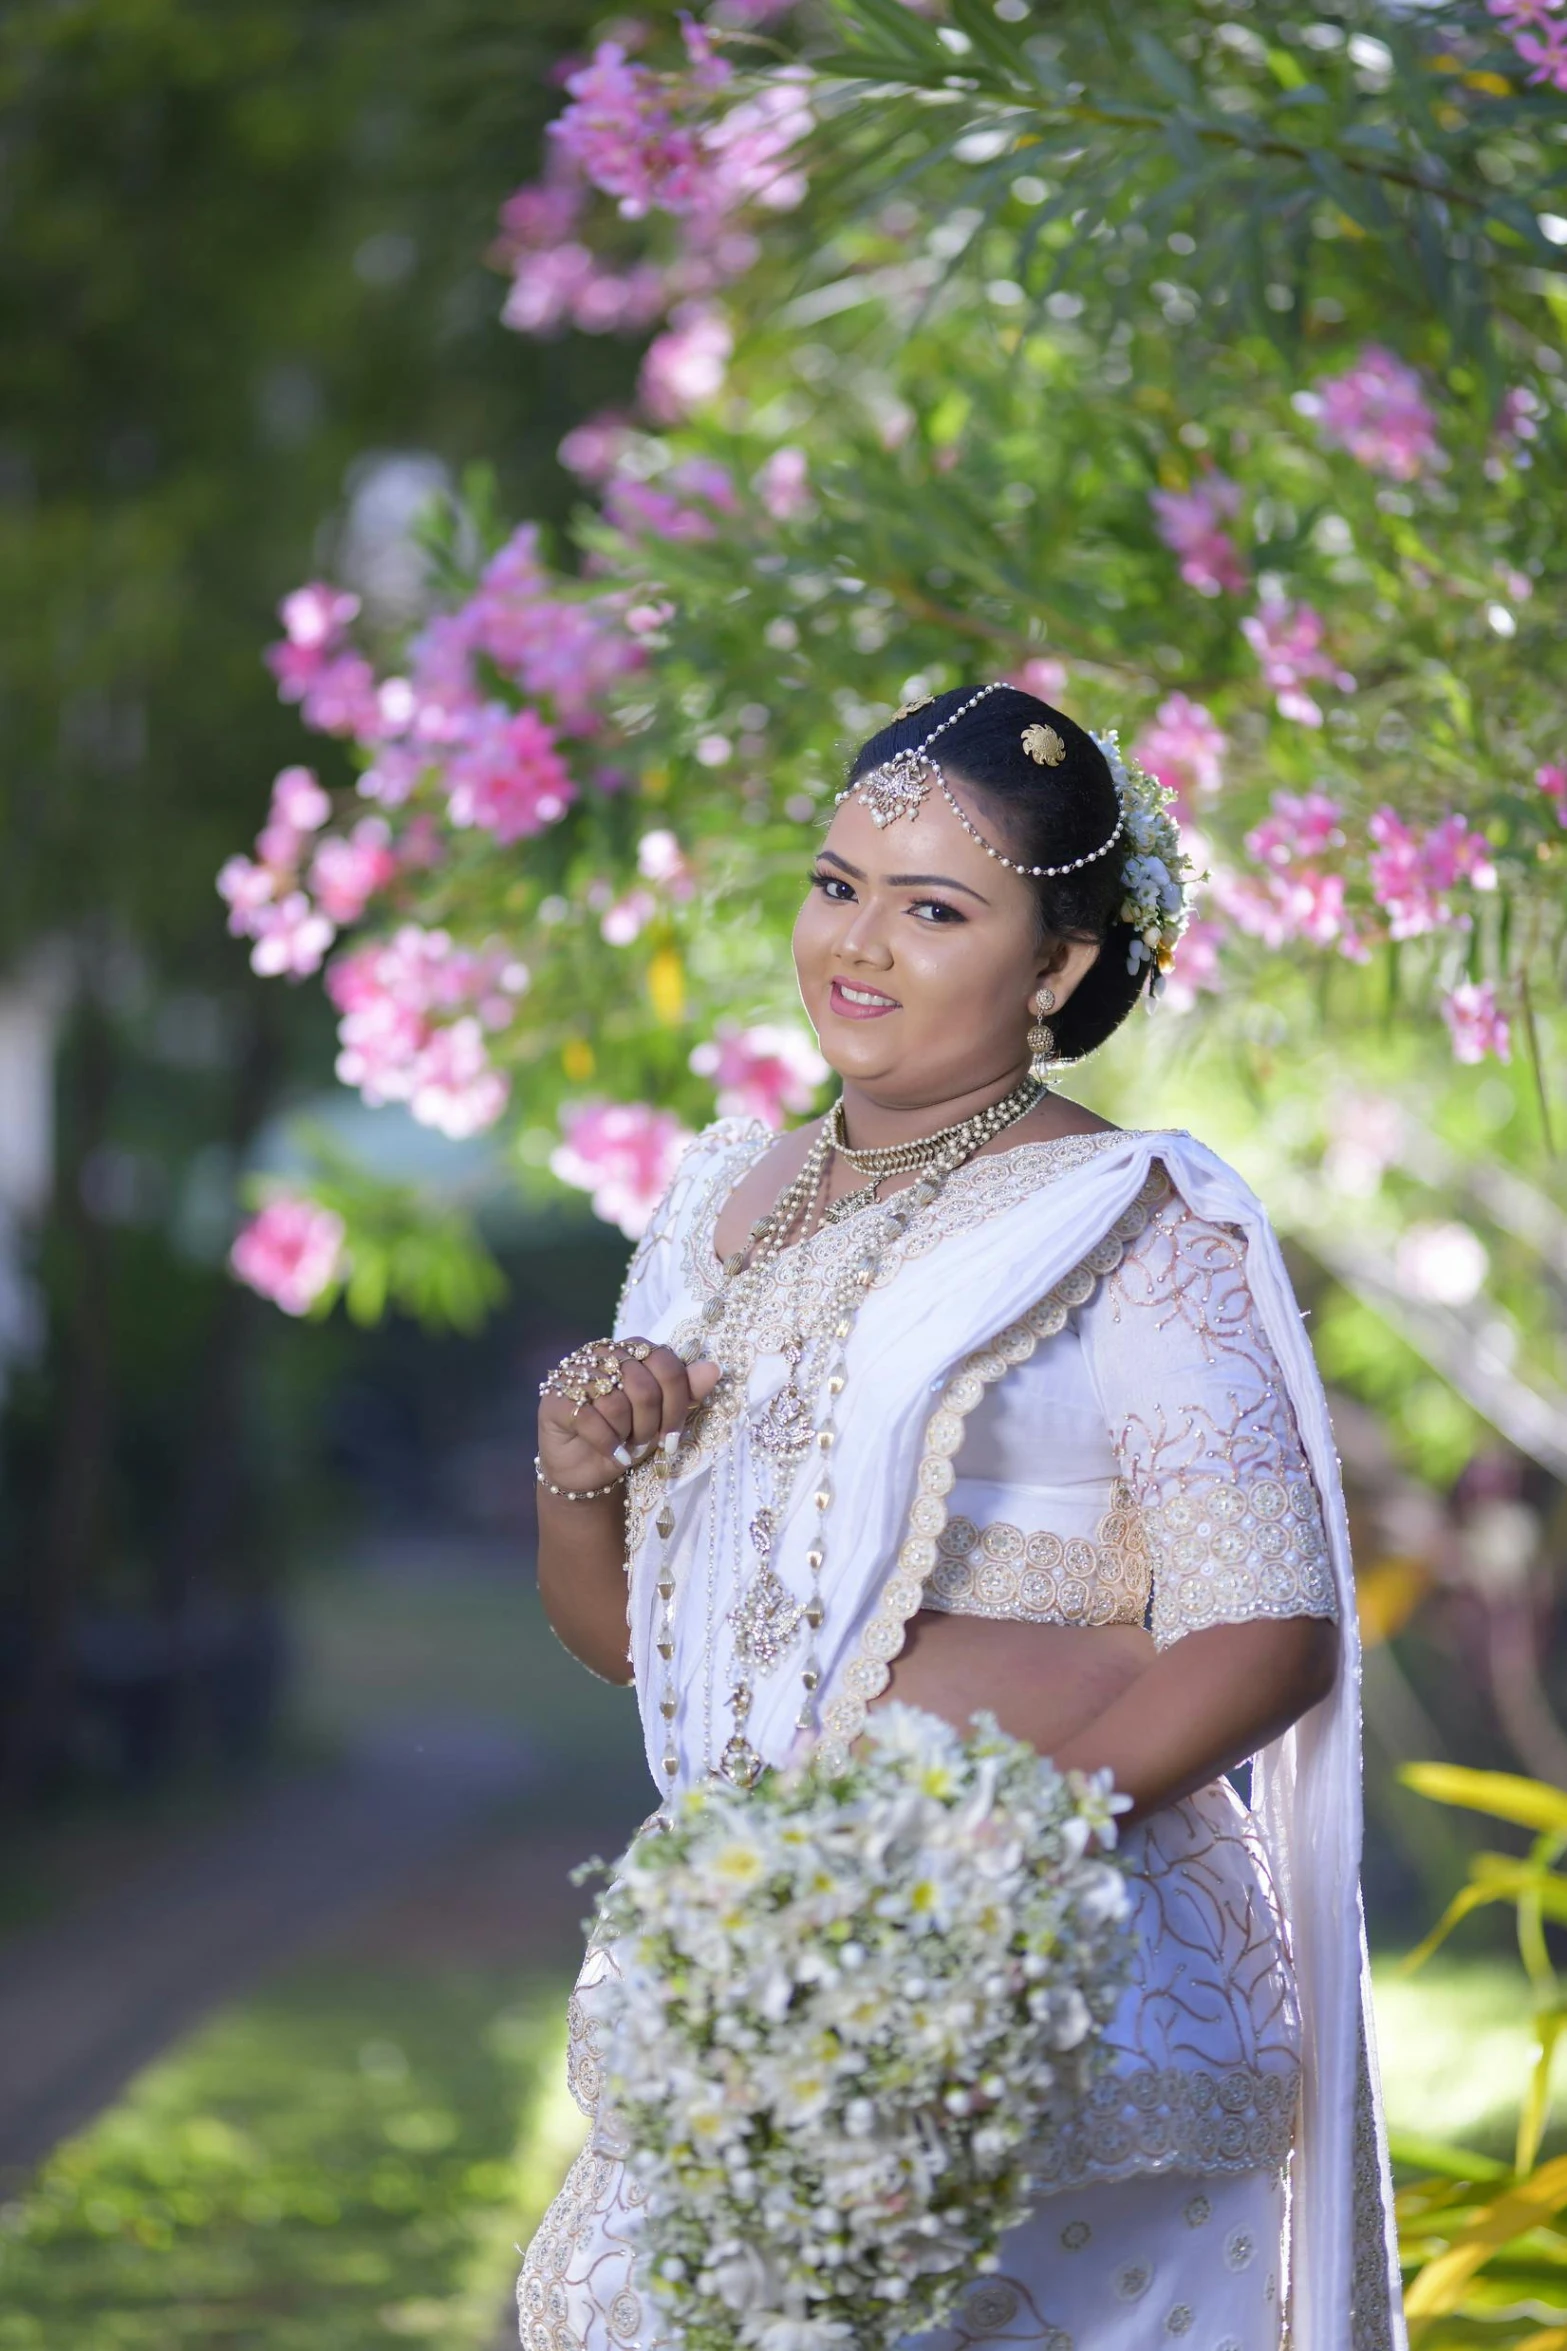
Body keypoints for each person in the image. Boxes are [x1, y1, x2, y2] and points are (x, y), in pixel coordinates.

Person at [518, 683, 1405, 2351]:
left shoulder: (1126, 1225)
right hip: (769, 1965)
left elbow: (1271, 1624)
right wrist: (580, 1468)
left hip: (1046, 1980)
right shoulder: (720, 1205)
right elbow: (654, 1650)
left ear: (1056, 968)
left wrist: (972, 1861)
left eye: (935, 908)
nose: (860, 942)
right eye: (837, 882)